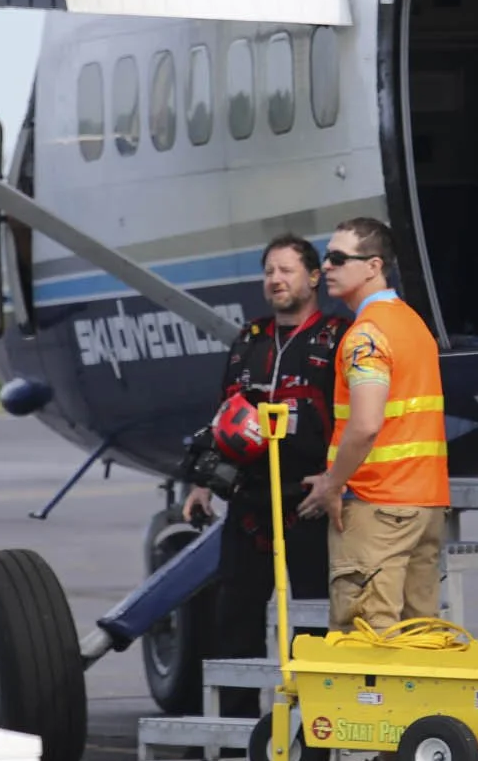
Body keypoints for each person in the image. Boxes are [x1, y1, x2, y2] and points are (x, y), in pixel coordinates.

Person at [183, 235, 346, 699]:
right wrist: (200, 485)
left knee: (315, 617)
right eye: (270, 271)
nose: (276, 279)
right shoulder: (248, 340)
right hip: (250, 503)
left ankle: (313, 723)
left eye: (287, 270)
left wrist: (337, 479)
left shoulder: (338, 336)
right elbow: (223, 415)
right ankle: (237, 733)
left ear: (313, 278)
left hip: (310, 501)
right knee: (235, 613)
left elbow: (354, 419)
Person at [297, 216, 450, 632]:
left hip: (378, 505)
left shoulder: (366, 335)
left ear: (373, 266)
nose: (326, 266)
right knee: (420, 636)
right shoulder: (413, 325)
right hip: (424, 503)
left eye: (338, 258)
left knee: (366, 639)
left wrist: (332, 482)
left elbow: (365, 424)